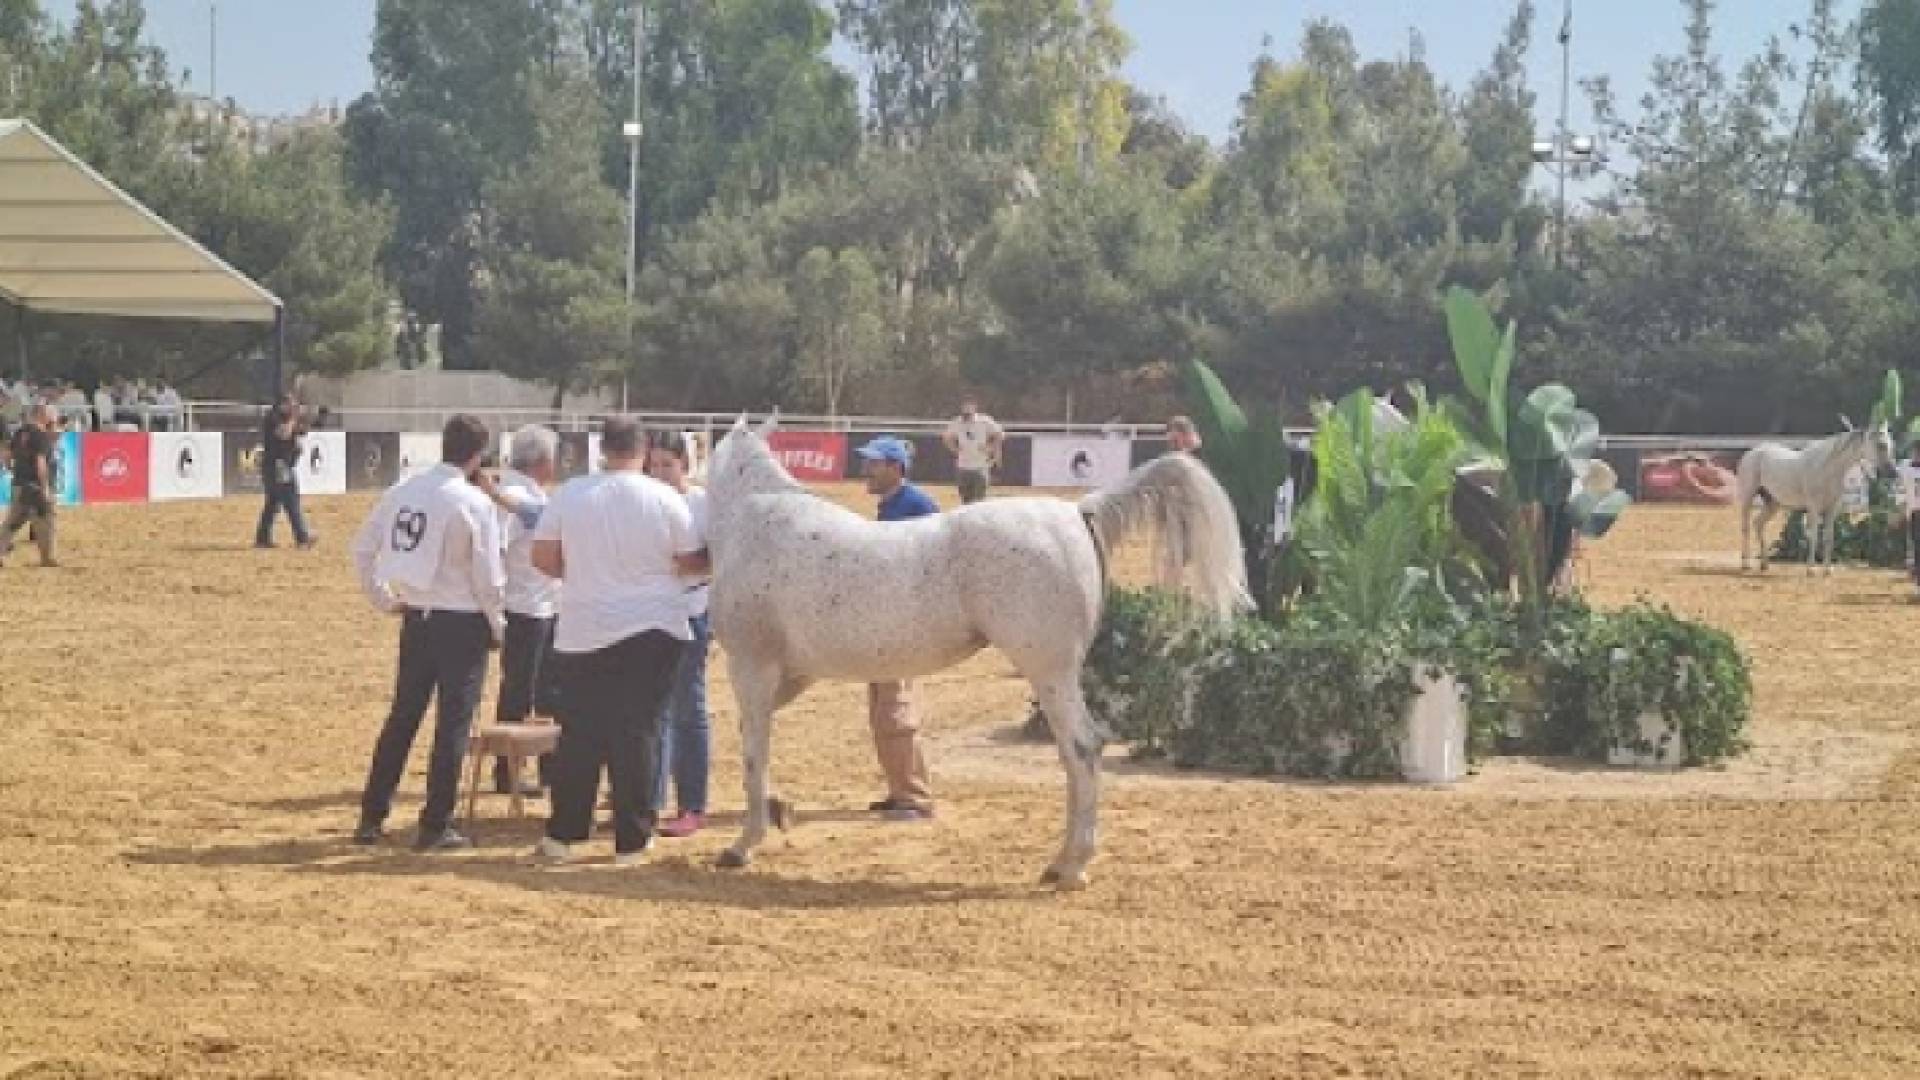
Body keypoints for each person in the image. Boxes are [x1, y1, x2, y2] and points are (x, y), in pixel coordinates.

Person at [531, 417, 696, 867]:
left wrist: (585, 573)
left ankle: (564, 835)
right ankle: (631, 839)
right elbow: (689, 560)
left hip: (584, 626)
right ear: (643, 450)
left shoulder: (570, 493)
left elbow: (542, 555)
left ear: (602, 448)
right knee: (638, 733)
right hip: (652, 625)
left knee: (580, 734)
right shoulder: (665, 497)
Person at [349, 414, 506, 851]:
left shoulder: (402, 491)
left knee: (403, 718)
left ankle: (371, 815)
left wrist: (385, 599)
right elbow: (489, 580)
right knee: (452, 725)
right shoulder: (474, 504)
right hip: (463, 623)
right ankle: (435, 823)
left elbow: (362, 550)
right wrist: (498, 627)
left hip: (417, 617)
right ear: (477, 456)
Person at [473, 425, 562, 796]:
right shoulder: (511, 494)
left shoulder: (515, 491)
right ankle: (509, 771)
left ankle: (539, 767)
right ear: (543, 462)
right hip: (524, 607)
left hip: (539, 605)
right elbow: (506, 541)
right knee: (521, 691)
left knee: (541, 691)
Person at [854, 436, 940, 821]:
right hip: (885, 620)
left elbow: (937, 561)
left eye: (874, 464)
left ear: (895, 467)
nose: (866, 470)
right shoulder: (890, 506)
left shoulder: (917, 506)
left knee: (894, 707)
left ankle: (914, 796)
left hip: (903, 623)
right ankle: (900, 787)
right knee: (882, 708)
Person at [646, 429, 713, 838]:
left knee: (685, 708)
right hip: (648, 612)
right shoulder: (644, 500)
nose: (659, 472)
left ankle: (691, 803)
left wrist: (680, 565)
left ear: (685, 466)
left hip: (690, 611)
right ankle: (649, 797)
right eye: (653, 465)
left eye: (667, 465)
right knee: (651, 709)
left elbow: (714, 557)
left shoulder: (701, 503)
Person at [1, 403, 59, 568]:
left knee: (12, 522)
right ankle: (48, 558)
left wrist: (12, 468)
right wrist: (45, 487)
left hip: (19, 484)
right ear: (41, 415)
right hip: (35, 485)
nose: (51, 417)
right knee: (46, 520)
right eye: (49, 414)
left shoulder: (20, 432)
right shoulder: (41, 436)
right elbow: (40, 462)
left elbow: (7, 454)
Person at [256, 395, 315, 549]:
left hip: (280, 465)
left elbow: (303, 431)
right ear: (282, 404)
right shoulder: (273, 417)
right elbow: (283, 433)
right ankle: (302, 538)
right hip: (278, 465)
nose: (293, 407)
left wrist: (304, 418)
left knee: (273, 503)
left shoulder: (287, 417)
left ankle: (262, 537)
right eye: (290, 404)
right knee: (291, 500)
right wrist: (294, 418)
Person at [943, 394, 1003, 505]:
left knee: (979, 502)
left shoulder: (984, 421)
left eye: (969, 406)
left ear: (974, 407)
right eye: (964, 406)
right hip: (963, 467)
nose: (966, 409)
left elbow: (999, 435)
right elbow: (946, 437)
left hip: (980, 467)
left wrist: (990, 448)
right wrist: (955, 449)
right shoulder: (956, 422)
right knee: (965, 501)